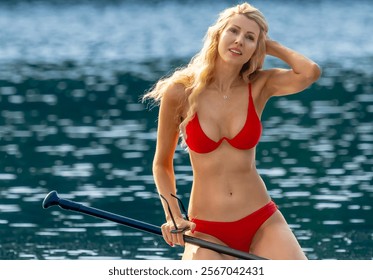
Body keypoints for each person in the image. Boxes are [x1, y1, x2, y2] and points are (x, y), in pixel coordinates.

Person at [143, 2, 320, 260]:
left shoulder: (259, 85)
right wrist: (173, 216)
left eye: (249, 38)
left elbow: (309, 72)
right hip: (205, 229)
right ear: (218, 34)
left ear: (256, 48)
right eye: (233, 31)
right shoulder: (181, 92)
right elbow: (162, 164)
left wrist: (270, 45)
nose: (239, 41)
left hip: (262, 221)